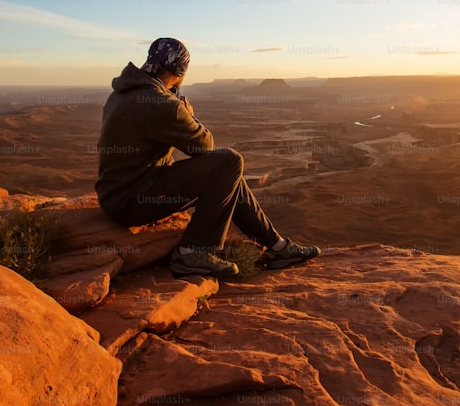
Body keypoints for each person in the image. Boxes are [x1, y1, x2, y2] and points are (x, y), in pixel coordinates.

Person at [95, 37, 320, 278]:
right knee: (229, 161)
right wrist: (188, 114)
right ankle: (193, 252)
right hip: (134, 200)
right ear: (180, 71)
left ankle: (278, 247)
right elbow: (204, 146)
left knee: (228, 173)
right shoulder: (160, 103)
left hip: (116, 194)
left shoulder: (122, 93)